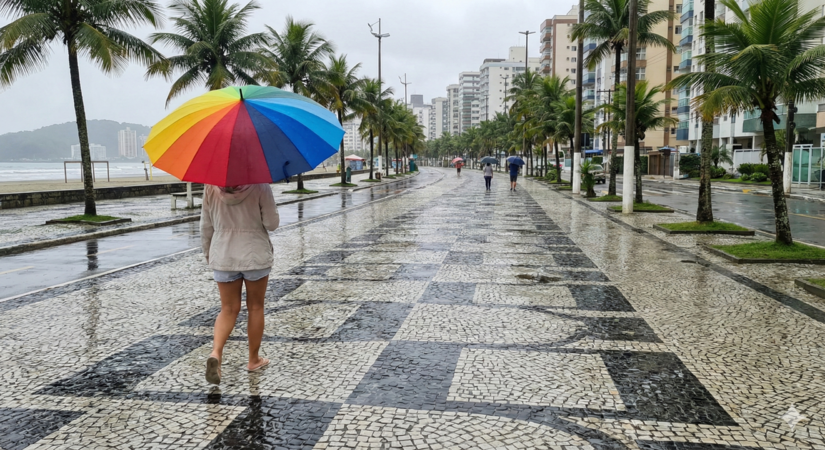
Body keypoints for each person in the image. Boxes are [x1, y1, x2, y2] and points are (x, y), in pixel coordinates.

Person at [200, 184, 279, 385]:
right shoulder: (260, 185)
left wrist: (210, 254)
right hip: (255, 254)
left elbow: (206, 226)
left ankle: (216, 353)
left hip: (223, 254)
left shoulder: (210, 186)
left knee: (227, 309)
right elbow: (272, 223)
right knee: (255, 307)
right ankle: (253, 360)